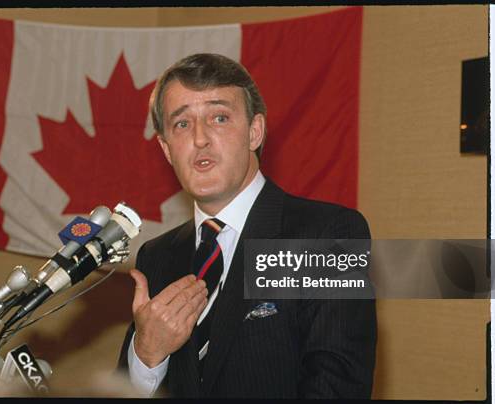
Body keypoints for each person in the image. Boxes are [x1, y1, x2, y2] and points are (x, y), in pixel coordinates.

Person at [117, 53, 376, 398]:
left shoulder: (327, 236)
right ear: (166, 149)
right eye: (182, 124)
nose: (200, 139)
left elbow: (336, 388)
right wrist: (146, 356)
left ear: (255, 132)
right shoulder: (156, 255)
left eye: (219, 117)